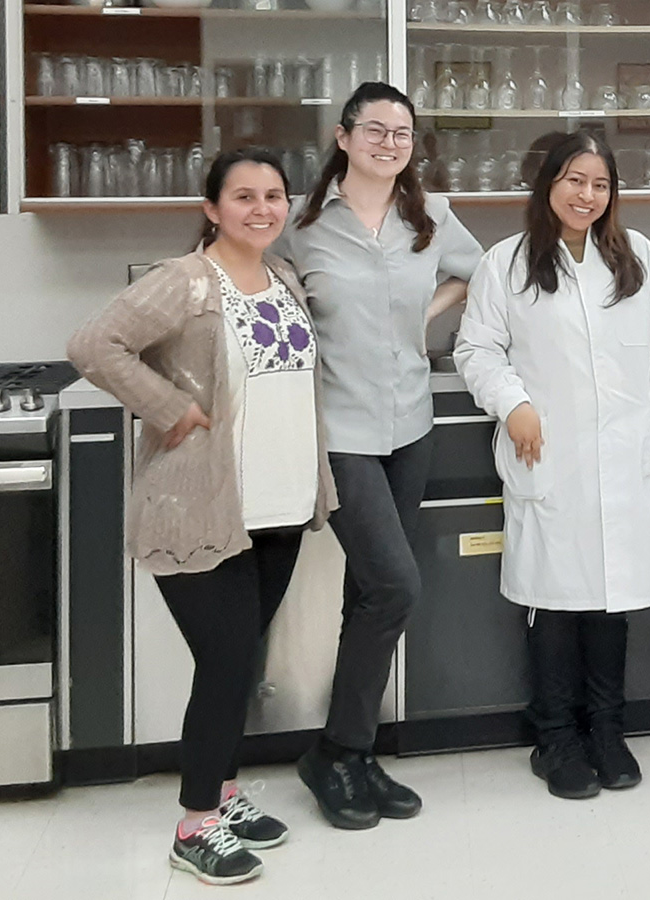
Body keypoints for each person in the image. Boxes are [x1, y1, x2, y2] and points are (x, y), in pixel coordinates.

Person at [68, 149, 338, 886]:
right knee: (223, 663)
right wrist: (169, 407)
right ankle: (194, 826)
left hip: (278, 504)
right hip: (200, 504)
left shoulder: (281, 278)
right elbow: (94, 344)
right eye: (243, 196)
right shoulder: (184, 281)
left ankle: (222, 796)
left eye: (274, 196)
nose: (262, 209)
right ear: (212, 207)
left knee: (242, 660)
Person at [274, 82, 483, 829]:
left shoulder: (427, 217)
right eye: (375, 129)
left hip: (411, 427)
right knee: (396, 586)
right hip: (342, 436)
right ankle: (335, 749)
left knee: (367, 594)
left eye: (402, 133)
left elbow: (478, 270)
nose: (389, 142)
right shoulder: (301, 224)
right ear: (343, 136)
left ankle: (354, 758)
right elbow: (256, 285)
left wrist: (423, 314)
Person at [454, 131, 650, 800]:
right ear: (548, 184)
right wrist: (512, 404)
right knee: (553, 603)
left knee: (613, 604)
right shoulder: (508, 262)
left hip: (624, 453)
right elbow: (477, 350)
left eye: (600, 183)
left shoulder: (639, 258)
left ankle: (607, 730)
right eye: (574, 180)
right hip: (547, 451)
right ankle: (555, 737)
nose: (587, 195)